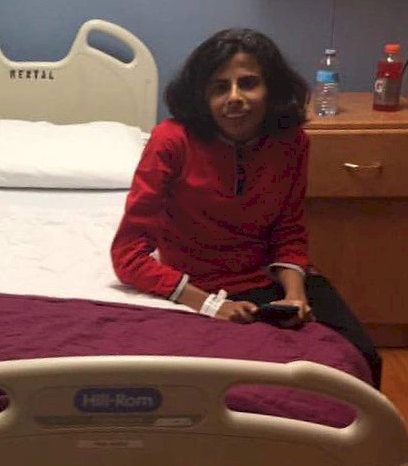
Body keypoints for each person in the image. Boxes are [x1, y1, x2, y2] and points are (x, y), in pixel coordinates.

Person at [110, 28, 382, 388]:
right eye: (219, 87)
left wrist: (295, 295)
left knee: (361, 359)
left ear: (271, 89)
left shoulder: (291, 143)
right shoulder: (171, 141)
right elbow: (128, 255)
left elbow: (288, 230)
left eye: (248, 83)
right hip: (194, 285)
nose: (234, 98)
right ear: (202, 95)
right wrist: (209, 305)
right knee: (210, 383)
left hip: (268, 280)